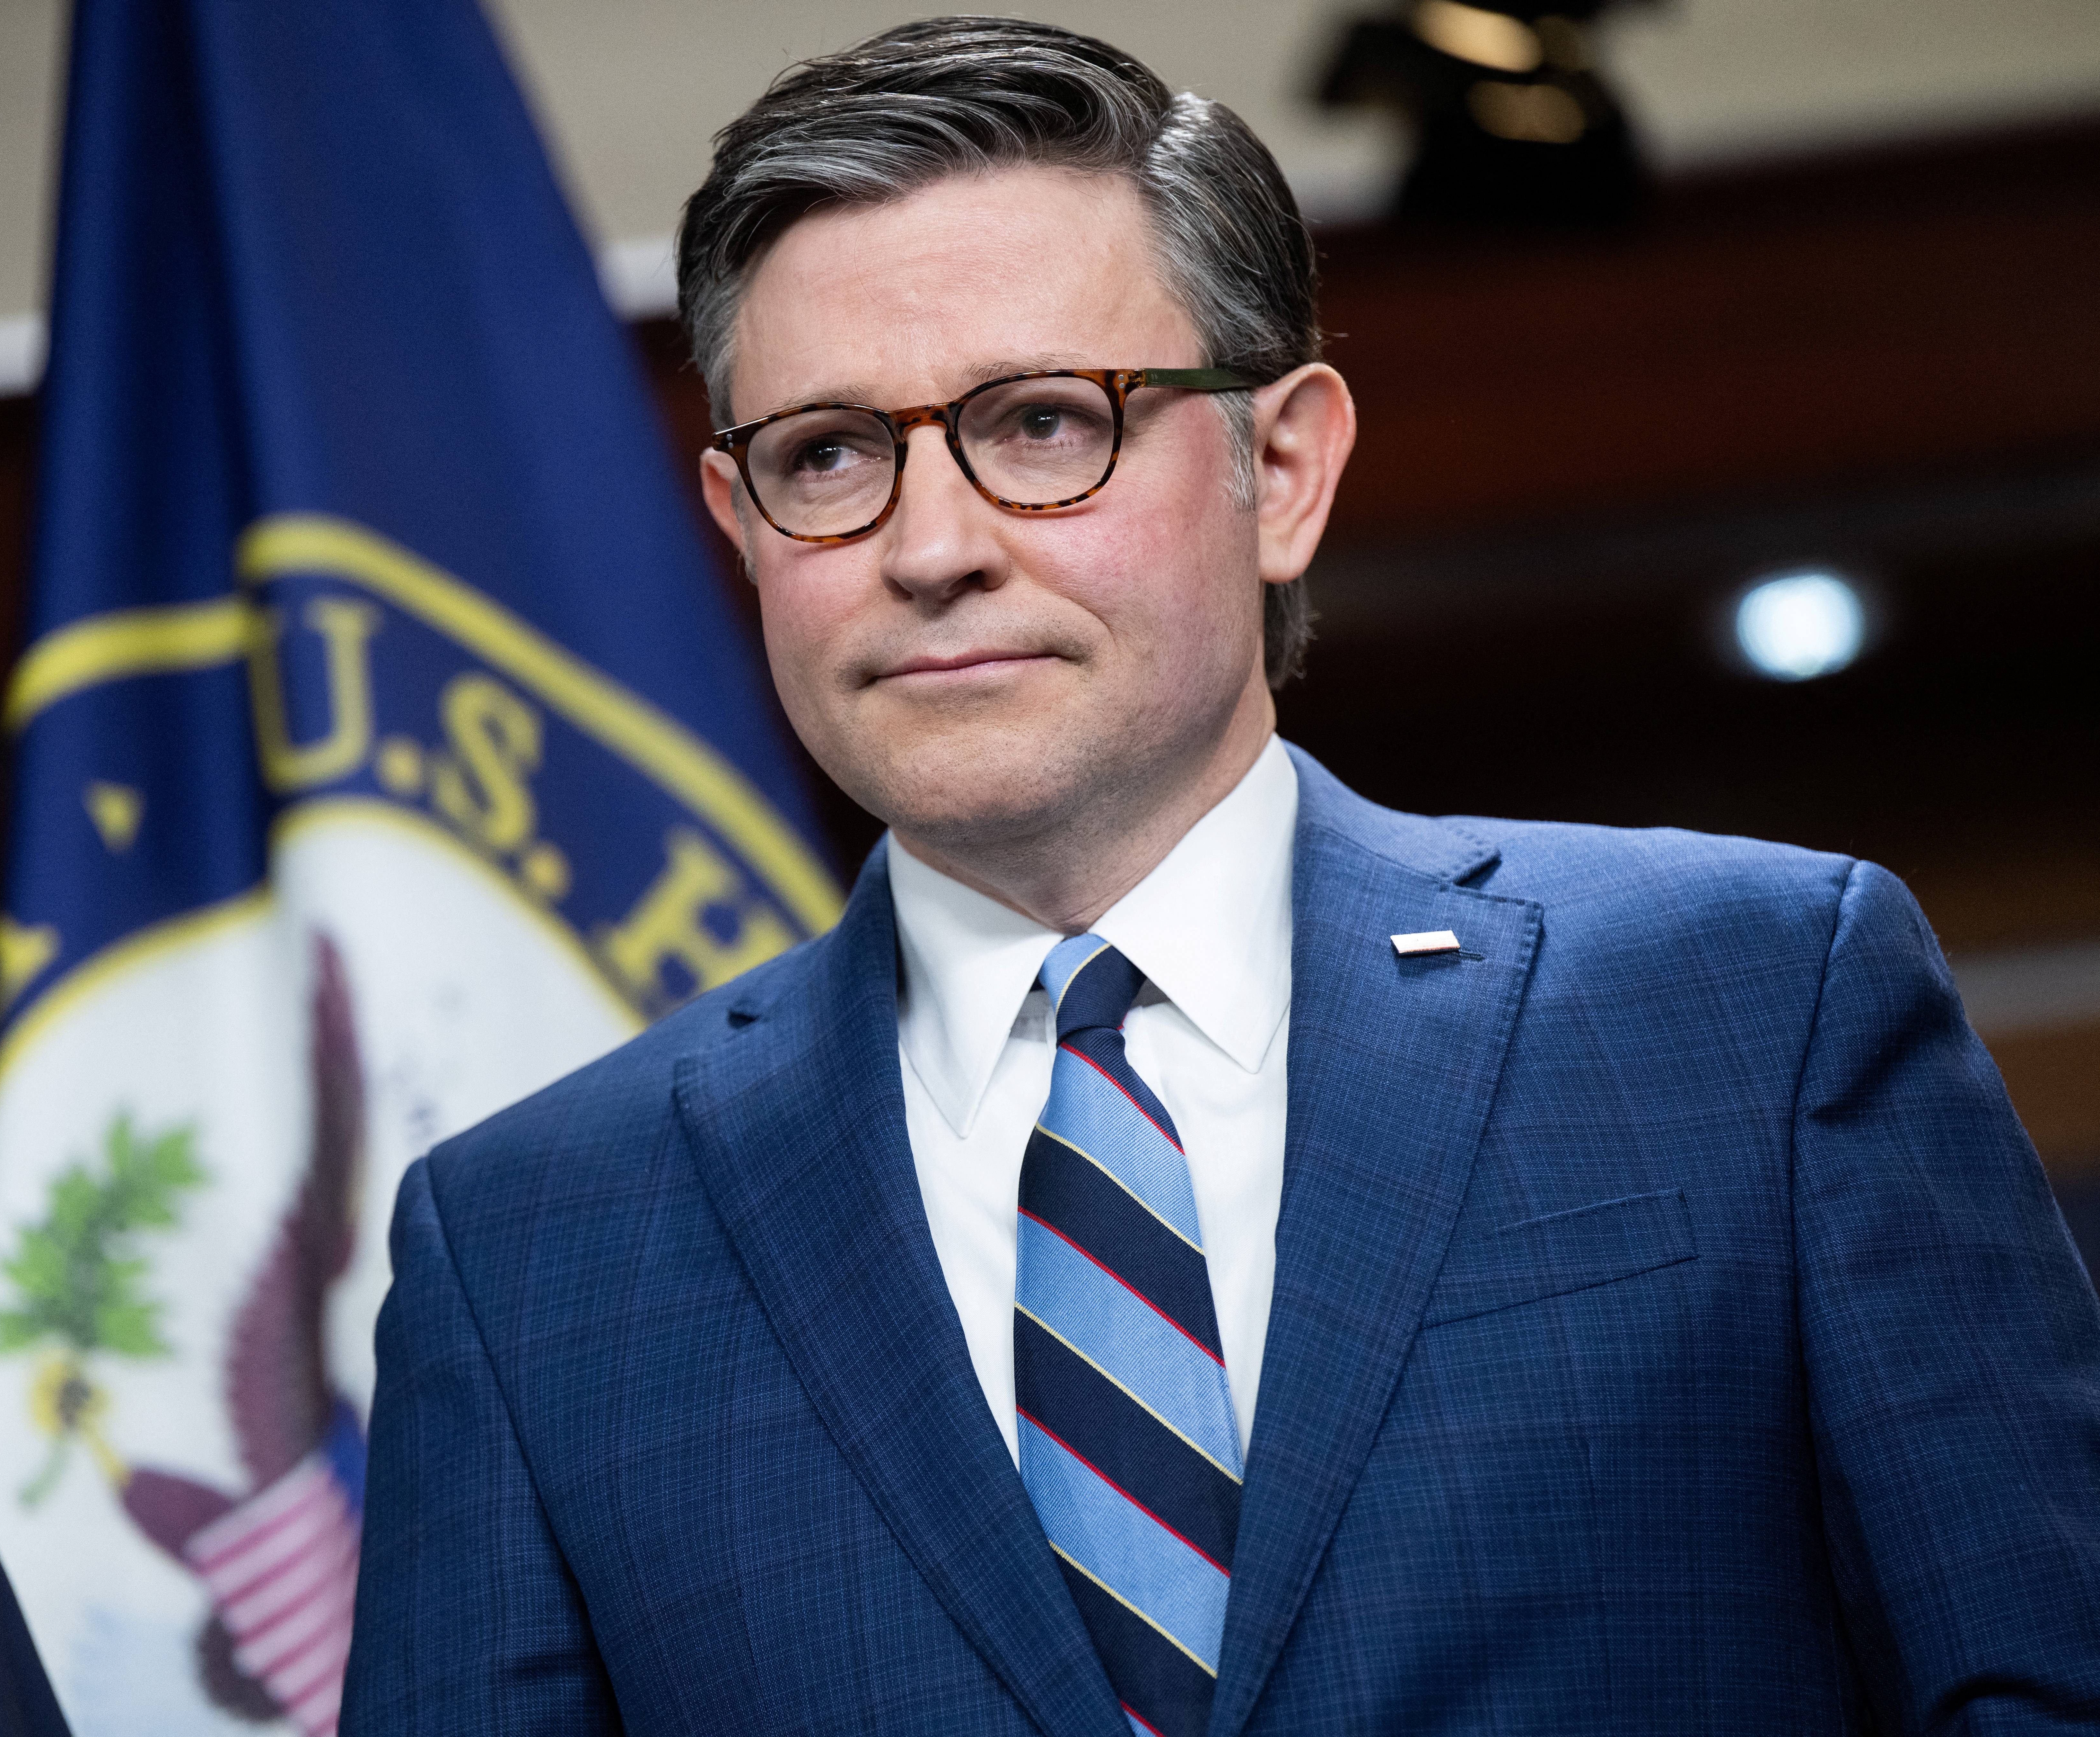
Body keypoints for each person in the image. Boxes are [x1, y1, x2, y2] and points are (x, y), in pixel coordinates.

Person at [341, 19, 2100, 1735]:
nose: (931, 548)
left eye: (1040, 424)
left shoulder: (1749, 1004)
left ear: (1281, 468)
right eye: (827, 457)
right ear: (737, 530)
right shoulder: (529, 1251)